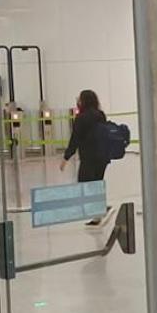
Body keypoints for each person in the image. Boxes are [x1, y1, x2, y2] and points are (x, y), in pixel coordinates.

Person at [61, 89, 115, 225]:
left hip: (89, 157)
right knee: (97, 182)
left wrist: (66, 157)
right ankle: (99, 211)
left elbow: (75, 139)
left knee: (86, 183)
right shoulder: (100, 115)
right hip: (102, 156)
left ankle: (99, 211)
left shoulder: (81, 118)